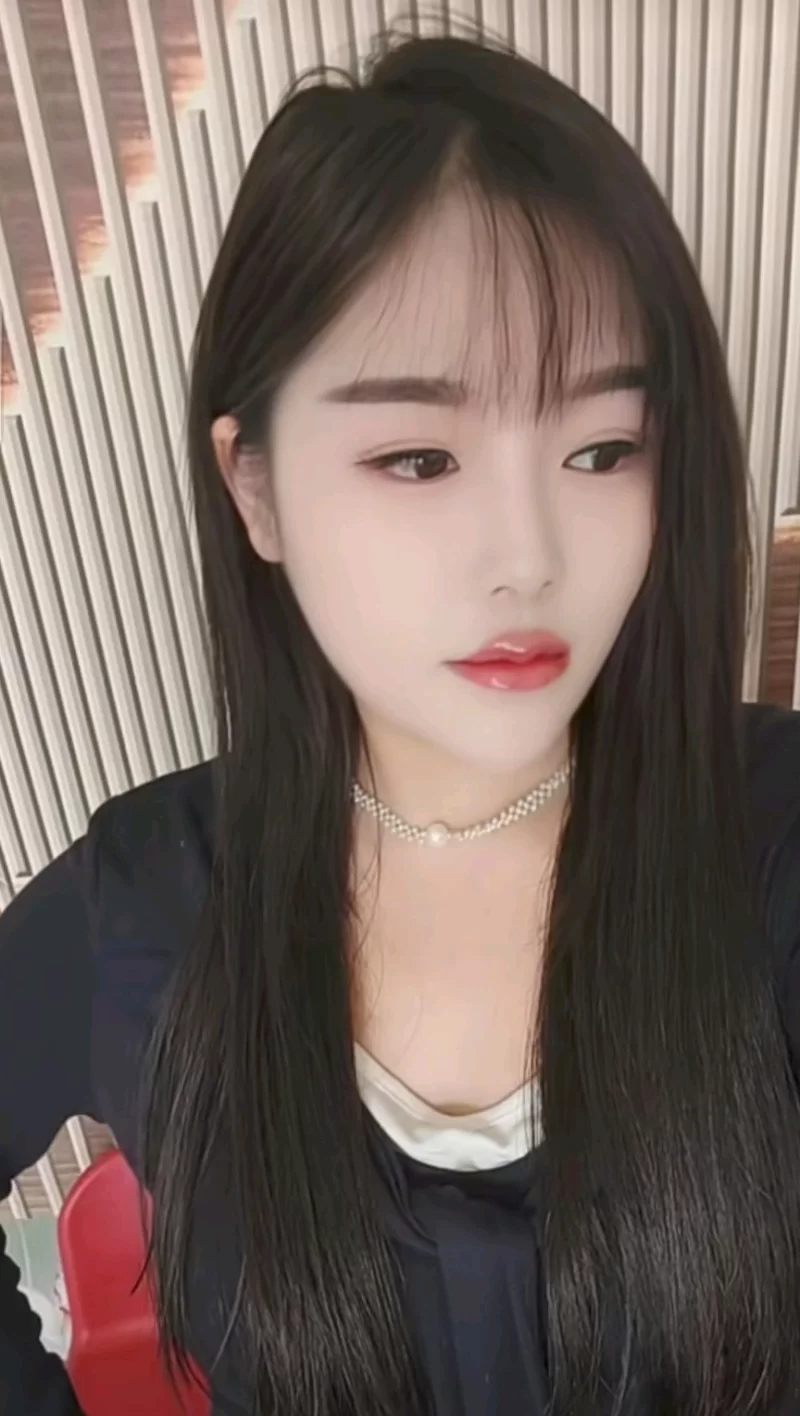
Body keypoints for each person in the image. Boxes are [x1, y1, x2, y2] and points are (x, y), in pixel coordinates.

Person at [2, 26, 800, 1416]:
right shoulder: (146, 905)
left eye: (603, 449)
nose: (527, 555)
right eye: (420, 457)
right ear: (254, 491)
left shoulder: (775, 847)